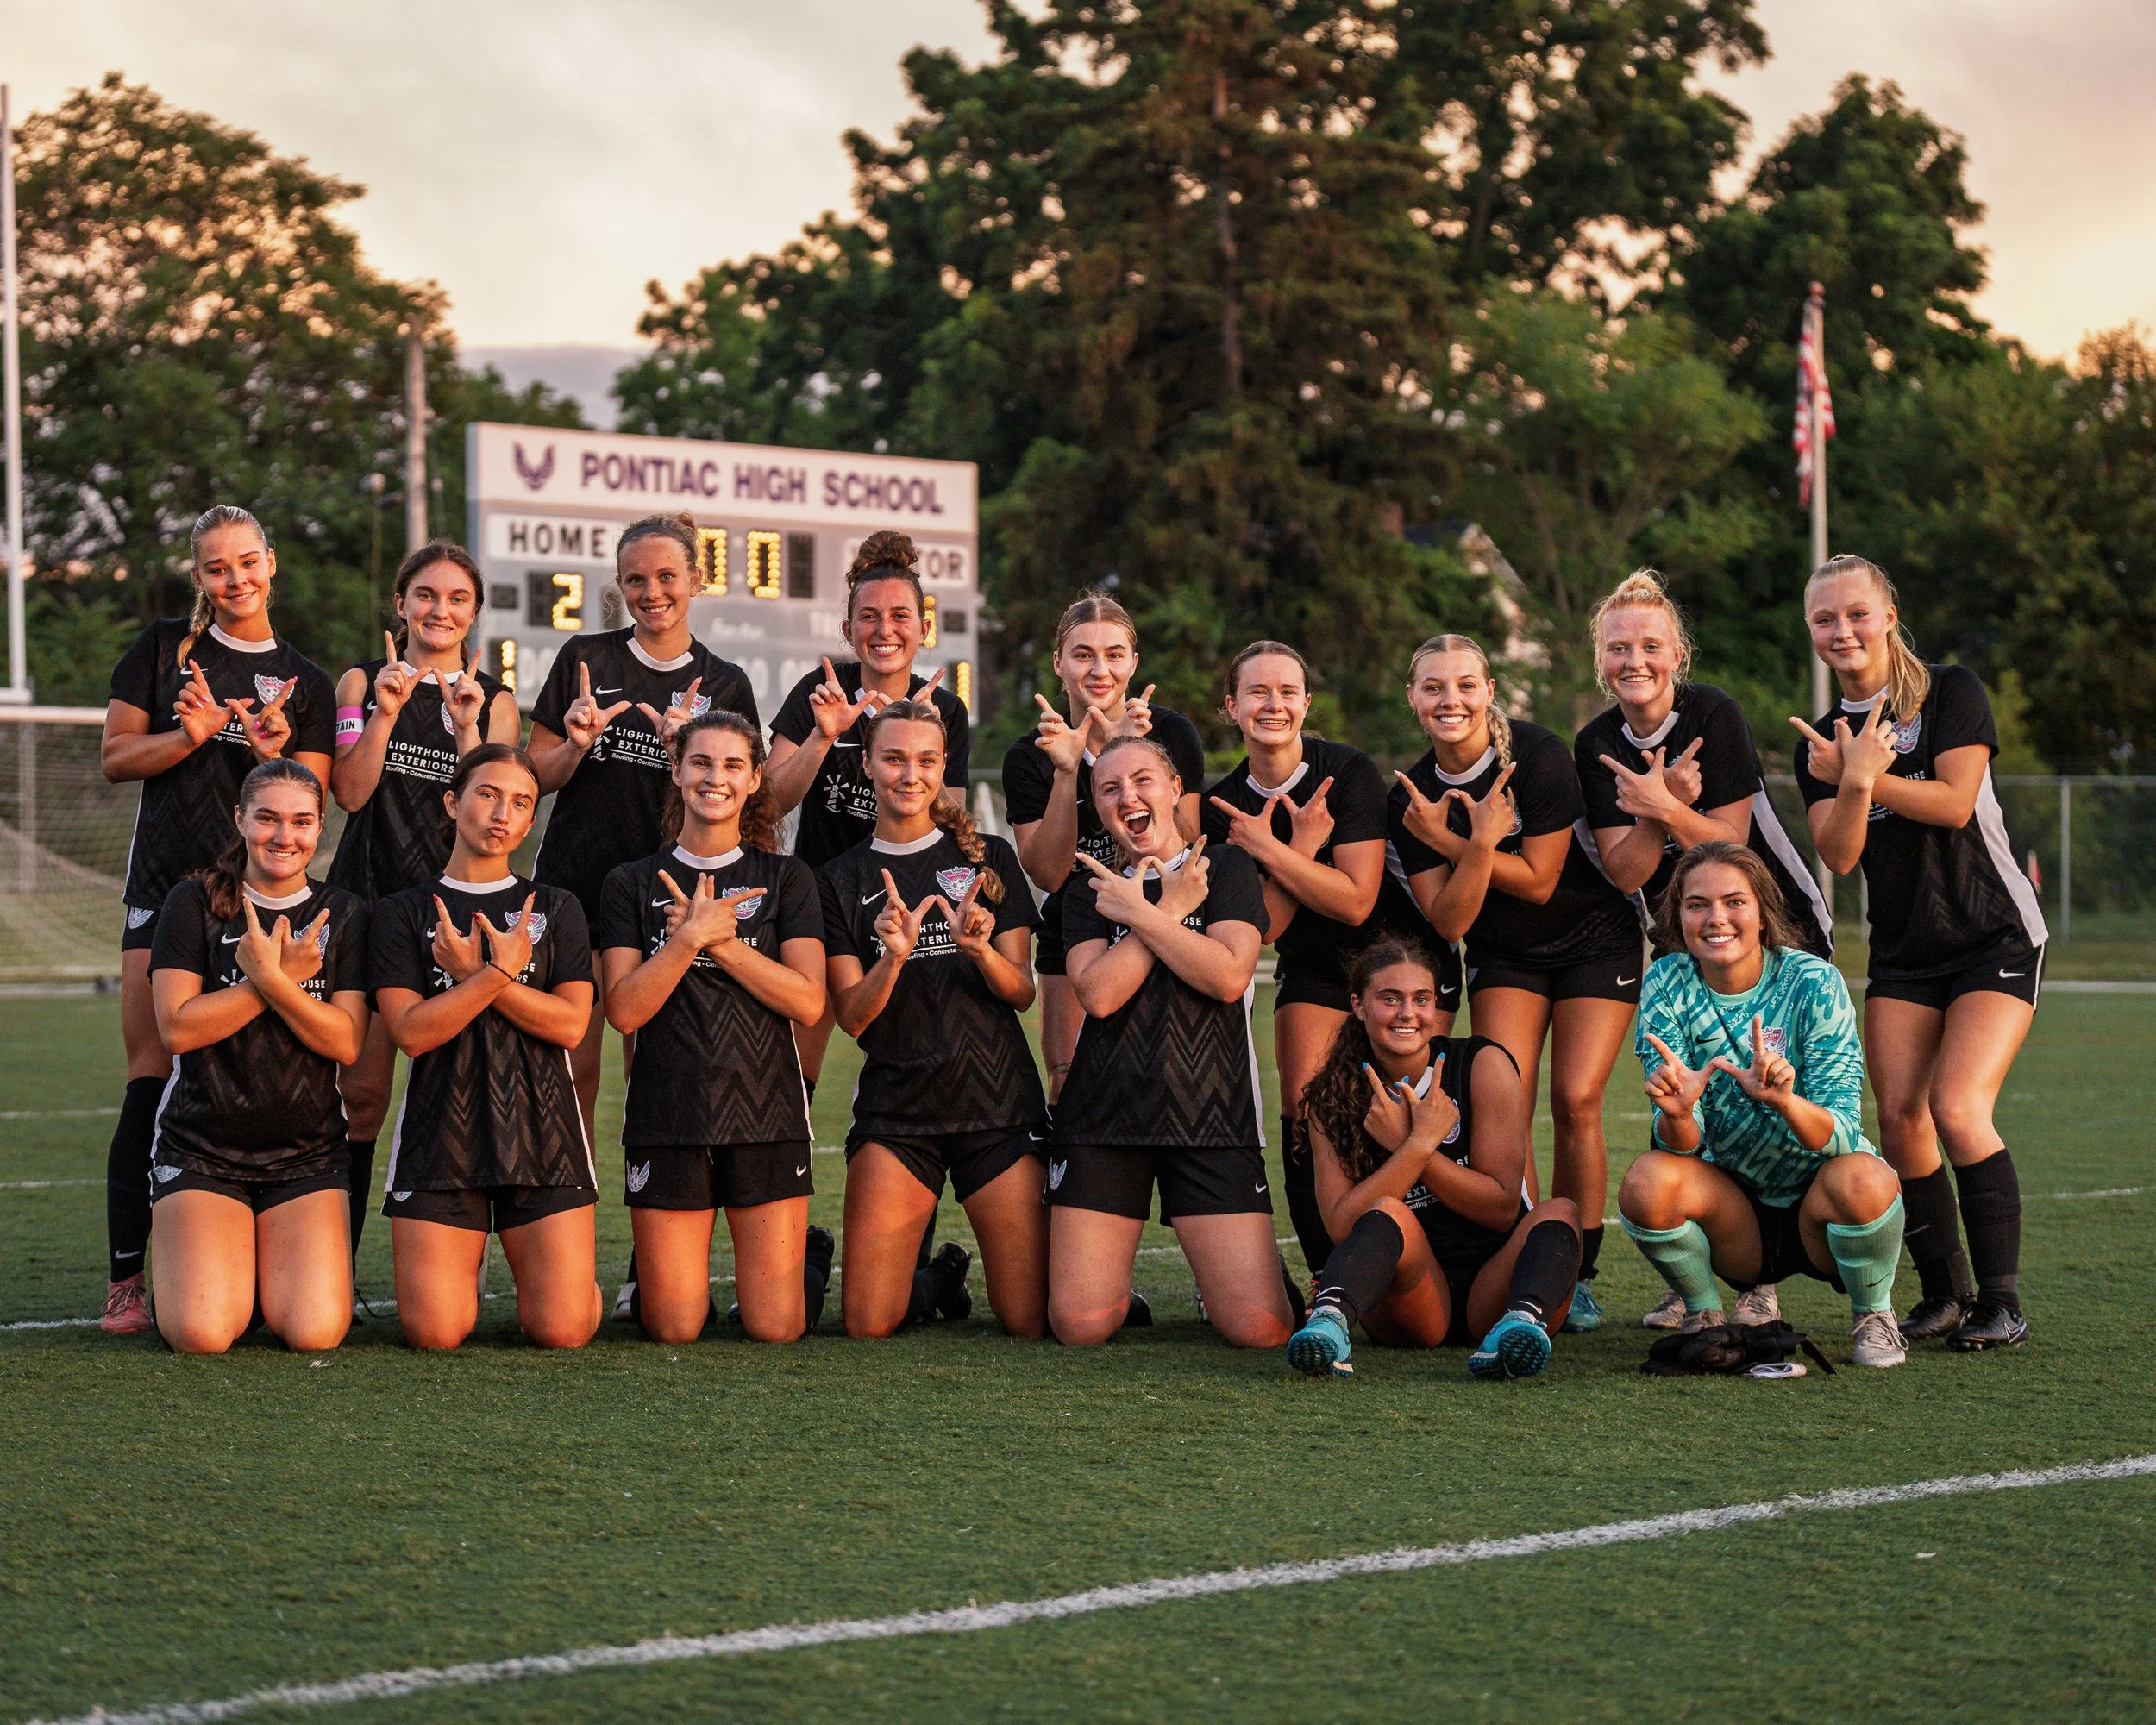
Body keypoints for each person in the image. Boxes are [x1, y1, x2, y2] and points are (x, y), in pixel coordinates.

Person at [1792, 555, 2046, 1351]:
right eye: (1825, 619)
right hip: (1905, 947)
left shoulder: (1950, 692)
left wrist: (1867, 773)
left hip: (1992, 934)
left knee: (1958, 1108)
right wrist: (1850, 781)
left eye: (1857, 613)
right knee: (1900, 1122)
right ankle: (1944, 1296)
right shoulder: (1820, 741)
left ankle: (2001, 1303)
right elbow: (1838, 854)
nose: (1843, 631)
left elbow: (1955, 801)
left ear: (1889, 614)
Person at [1573, 568, 1832, 1332]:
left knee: (1780, 1096)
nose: (1635, 661)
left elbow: (1732, 845)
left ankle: (1779, 1277)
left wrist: (1658, 803)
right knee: (1698, 1100)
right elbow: (1625, 869)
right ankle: (1733, 1270)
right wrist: (1660, 812)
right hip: (1685, 940)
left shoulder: (1712, 713)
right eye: (1619, 648)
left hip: (1773, 925)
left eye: (1651, 645)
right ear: (1601, 659)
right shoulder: (1595, 742)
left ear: (1677, 653)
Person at [97, 505, 335, 1334]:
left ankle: (265, 1249)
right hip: (166, 892)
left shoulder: (305, 676)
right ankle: (128, 1275)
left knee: (263, 1059)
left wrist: (271, 745)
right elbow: (116, 757)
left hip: (259, 900)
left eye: (246, 562)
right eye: (215, 568)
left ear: (272, 564)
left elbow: (308, 797)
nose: (234, 579)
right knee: (152, 1071)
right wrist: (188, 736)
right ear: (197, 577)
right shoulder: (165, 650)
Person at [523, 511, 755, 1320]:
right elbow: (537, 776)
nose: (652, 593)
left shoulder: (726, 683)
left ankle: (643, 1266)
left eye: (666, 577)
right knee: (575, 1077)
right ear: (618, 586)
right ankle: (571, 1269)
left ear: (695, 580)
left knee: (658, 1078)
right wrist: (578, 742)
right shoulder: (585, 660)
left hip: (675, 901)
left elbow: (742, 796)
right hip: (581, 893)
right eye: (635, 580)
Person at [1388, 634, 1642, 1333]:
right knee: (1508, 1098)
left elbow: (1539, 880)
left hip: (1594, 938)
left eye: (1465, 685)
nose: (1450, 701)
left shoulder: (1536, 754)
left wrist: (1459, 846)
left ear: (1489, 691)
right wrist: (1460, 845)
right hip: (1506, 955)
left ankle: (1578, 1271)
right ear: (1412, 698)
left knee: (1577, 1097)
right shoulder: (1412, 797)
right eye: (1433, 687)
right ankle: (1524, 1258)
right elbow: (1447, 917)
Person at [1200, 638, 1442, 1292]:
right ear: (1231, 706)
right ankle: (1322, 1272)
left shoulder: (1347, 771)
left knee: (1422, 1102)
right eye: (1257, 691)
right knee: (1305, 1106)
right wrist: (1296, 849)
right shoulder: (1219, 805)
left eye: (1286, 691)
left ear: (1306, 703)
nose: (1272, 704)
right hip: (1312, 963)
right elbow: (1265, 930)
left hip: (1400, 955)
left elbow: (1358, 901)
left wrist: (1274, 851)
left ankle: (1442, 1256)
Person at [1045, 735, 1294, 1351]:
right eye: (1109, 789)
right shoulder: (1089, 887)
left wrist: (1151, 914)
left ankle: (1249, 1277)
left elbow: (1228, 975)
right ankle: (1115, 1282)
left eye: (1142, 781)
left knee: (1260, 1330)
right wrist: (1163, 910)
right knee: (1079, 1325)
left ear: (1176, 788)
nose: (1127, 796)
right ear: (1098, 807)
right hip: (1104, 1118)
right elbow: (1099, 994)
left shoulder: (1225, 868)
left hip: (1209, 1113)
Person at [1619, 842, 1909, 1367]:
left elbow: (1843, 1132)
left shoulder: (1812, 981)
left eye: (1735, 902)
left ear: (1762, 912)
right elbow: (1681, 1147)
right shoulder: (1666, 982)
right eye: (1697, 905)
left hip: (1817, 1207)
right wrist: (1679, 1113)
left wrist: (1785, 1101)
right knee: (1647, 1180)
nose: (1716, 919)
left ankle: (1874, 1314)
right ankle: (1706, 1315)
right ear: (1678, 916)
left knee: (1866, 1178)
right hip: (1734, 1214)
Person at [598, 712, 830, 1345]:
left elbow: (809, 1003)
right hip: (668, 1116)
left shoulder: (787, 879)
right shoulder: (628, 882)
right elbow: (623, 1010)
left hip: (767, 1115)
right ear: (675, 770)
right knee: (672, 1326)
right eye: (700, 762)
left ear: (756, 779)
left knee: (777, 1327)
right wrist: (689, 941)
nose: (715, 778)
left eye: (733, 766)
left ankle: (809, 1260)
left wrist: (725, 947)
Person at [819, 699, 1049, 1338]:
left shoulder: (989, 858)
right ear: (867, 764)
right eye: (892, 758)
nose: (909, 774)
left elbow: (1022, 993)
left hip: (998, 1108)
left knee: (1030, 1319)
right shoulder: (839, 879)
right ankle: (938, 1280)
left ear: (944, 765)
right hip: (900, 1114)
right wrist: (891, 961)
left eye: (925, 760)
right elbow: (852, 1018)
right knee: (868, 1322)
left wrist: (979, 951)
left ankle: (946, 1275)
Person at [327, 540, 519, 1270]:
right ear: (401, 602)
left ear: (474, 612)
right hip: (368, 904)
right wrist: (384, 714)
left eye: (457, 599)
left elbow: (490, 802)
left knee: (458, 1095)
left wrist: (465, 724)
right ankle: (332, 1269)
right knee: (363, 1096)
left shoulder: (494, 702)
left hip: (454, 911)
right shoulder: (359, 680)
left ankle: (454, 1268)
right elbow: (348, 792)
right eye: (427, 596)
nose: (441, 611)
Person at [369, 745, 600, 1351]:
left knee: (565, 1330)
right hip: (441, 1134)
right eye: (488, 794)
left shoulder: (556, 907)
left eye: (520, 802)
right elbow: (412, 1032)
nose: (502, 813)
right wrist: (496, 976)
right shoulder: (402, 912)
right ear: (453, 802)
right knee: (436, 1333)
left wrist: (474, 974)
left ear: (529, 823)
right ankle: (461, 1263)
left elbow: (571, 1025)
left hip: (544, 1134)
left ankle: (563, 1279)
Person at [146, 760, 369, 1353]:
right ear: (240, 819)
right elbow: (176, 1029)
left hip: (307, 1157)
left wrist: (274, 982)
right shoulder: (190, 904)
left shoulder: (342, 914)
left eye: (300, 822)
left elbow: (345, 1041)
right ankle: (203, 1269)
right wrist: (269, 982)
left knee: (314, 1333)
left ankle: (254, 1275)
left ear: (321, 826)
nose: (283, 837)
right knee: (202, 1334)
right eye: (267, 818)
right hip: (202, 1151)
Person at [1283, 938, 1581, 1379]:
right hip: (1411, 1295)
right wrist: (1418, 1145)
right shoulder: (1333, 1094)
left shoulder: (1482, 1063)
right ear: (1359, 1006)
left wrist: (1413, 1144)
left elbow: (1502, 1210)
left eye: (1421, 999)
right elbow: (1341, 1227)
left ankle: (1518, 1327)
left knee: (1561, 1212)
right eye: (1390, 999)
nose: (1408, 1013)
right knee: (1387, 1211)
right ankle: (1329, 1325)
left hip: (1496, 1285)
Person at [1003, 590, 1206, 1102]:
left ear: (1134, 663)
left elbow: (1186, 846)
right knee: (1071, 1090)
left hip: (1166, 915)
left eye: (1114, 654)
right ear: (1059, 663)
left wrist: (1123, 753)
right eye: (1083, 654)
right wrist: (1069, 771)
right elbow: (1049, 874)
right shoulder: (1031, 755)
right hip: (1077, 929)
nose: (1100, 669)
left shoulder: (1171, 733)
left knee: (1175, 1087)